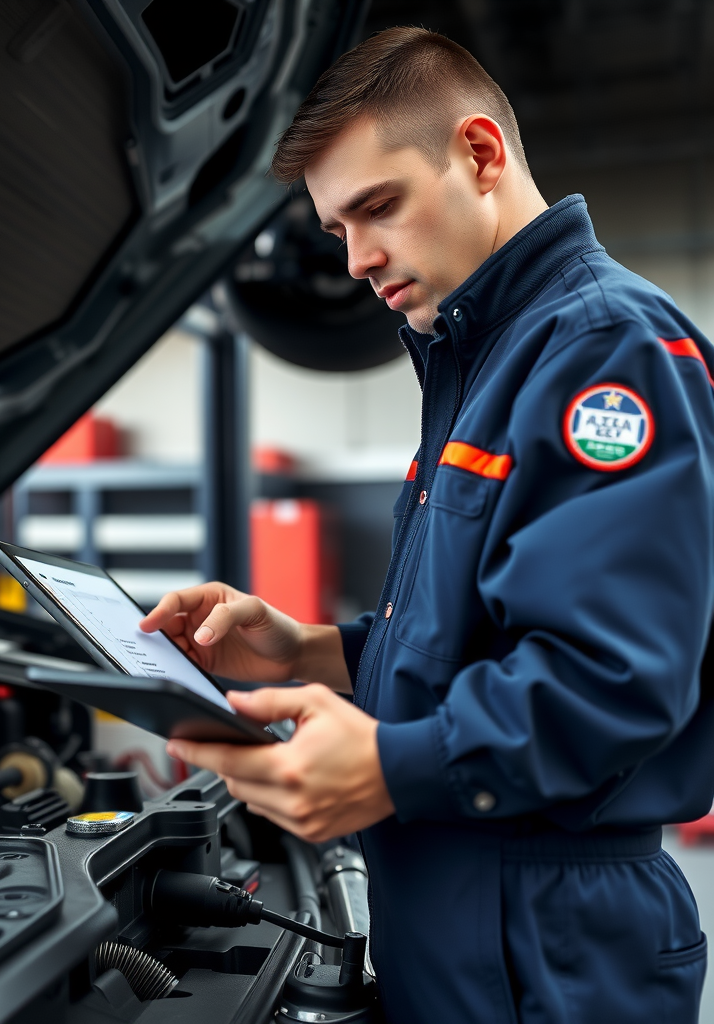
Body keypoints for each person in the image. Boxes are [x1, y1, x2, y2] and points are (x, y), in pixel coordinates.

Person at [139, 25, 714, 1024]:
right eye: (336, 229)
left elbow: (611, 681)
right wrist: (309, 648)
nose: (358, 259)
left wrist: (384, 767)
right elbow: (471, 637)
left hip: (548, 942)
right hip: (468, 918)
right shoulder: (482, 356)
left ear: (480, 155)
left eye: (377, 208)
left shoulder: (602, 352)